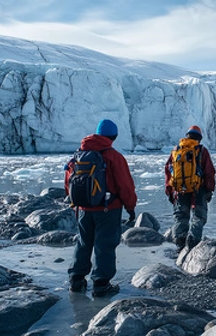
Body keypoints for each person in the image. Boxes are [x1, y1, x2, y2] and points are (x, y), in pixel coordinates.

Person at [65, 119, 137, 297]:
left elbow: (68, 182)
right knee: (104, 245)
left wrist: (79, 203)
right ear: (113, 137)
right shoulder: (114, 156)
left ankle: (76, 280)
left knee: (83, 242)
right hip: (108, 208)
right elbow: (125, 185)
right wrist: (130, 207)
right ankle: (101, 283)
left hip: (83, 209)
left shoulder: (78, 155)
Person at [165, 125, 216, 253]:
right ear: (199, 138)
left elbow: (168, 172)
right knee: (199, 217)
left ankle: (180, 243)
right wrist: (209, 189)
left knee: (180, 216)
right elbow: (209, 171)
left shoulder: (176, 150)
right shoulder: (201, 151)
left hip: (180, 190)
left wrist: (170, 191)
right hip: (198, 189)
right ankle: (193, 242)